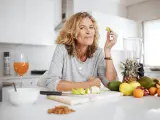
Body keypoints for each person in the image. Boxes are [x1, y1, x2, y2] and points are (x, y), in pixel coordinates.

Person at [44, 12, 118, 91]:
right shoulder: (62, 49)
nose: (88, 31)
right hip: (43, 90)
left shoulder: (98, 53)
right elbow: (51, 83)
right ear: (72, 32)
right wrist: (88, 85)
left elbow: (111, 83)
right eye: (82, 28)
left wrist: (107, 50)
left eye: (91, 27)